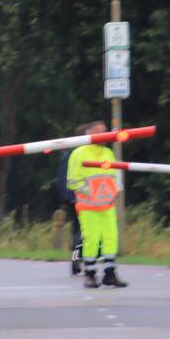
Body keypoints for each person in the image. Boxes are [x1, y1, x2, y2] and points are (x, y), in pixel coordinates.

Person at [66, 121, 127, 288]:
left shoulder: (108, 152)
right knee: (91, 239)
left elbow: (115, 175)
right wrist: (91, 192)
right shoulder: (79, 153)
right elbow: (72, 181)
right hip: (88, 206)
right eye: (100, 131)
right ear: (90, 134)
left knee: (111, 237)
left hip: (107, 204)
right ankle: (90, 274)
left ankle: (110, 273)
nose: (105, 134)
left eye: (105, 131)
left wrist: (114, 191)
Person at [56, 124, 88, 275]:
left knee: (78, 230)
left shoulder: (70, 153)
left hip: (74, 196)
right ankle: (77, 261)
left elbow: (61, 178)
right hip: (78, 197)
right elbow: (64, 177)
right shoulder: (75, 154)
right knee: (80, 231)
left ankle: (77, 261)